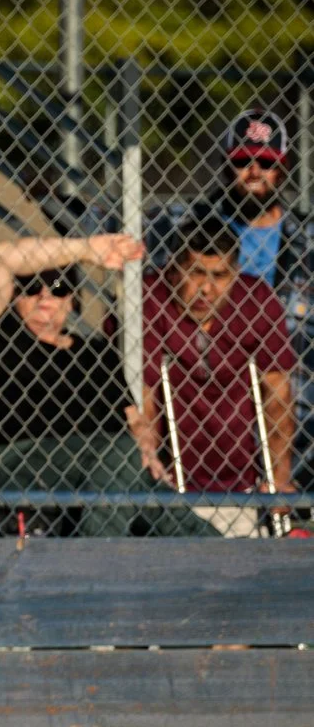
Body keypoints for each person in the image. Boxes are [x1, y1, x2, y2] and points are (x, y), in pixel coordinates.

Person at [0, 234, 217, 537]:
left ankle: (224, 557)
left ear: (71, 300)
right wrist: (84, 249)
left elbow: (135, 420)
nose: (44, 297)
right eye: (31, 287)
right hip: (20, 459)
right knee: (122, 456)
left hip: (108, 468)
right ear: (15, 295)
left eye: (58, 288)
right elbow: (1, 254)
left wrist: (145, 450)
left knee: (152, 489)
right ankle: (97, 554)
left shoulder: (96, 353)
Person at [146, 108, 314, 486]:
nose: (254, 172)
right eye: (242, 161)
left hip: (301, 410)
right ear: (226, 164)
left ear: (282, 168)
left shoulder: (307, 241)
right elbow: (112, 222)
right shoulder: (182, 226)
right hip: (213, 411)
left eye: (265, 163)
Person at [139, 214, 298, 535]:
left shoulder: (255, 300)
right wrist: (149, 477)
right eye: (196, 273)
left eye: (220, 276)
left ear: (235, 273)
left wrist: (279, 479)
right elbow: (145, 392)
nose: (207, 290)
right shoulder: (149, 297)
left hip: (241, 481)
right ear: (173, 269)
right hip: (172, 483)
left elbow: (277, 393)